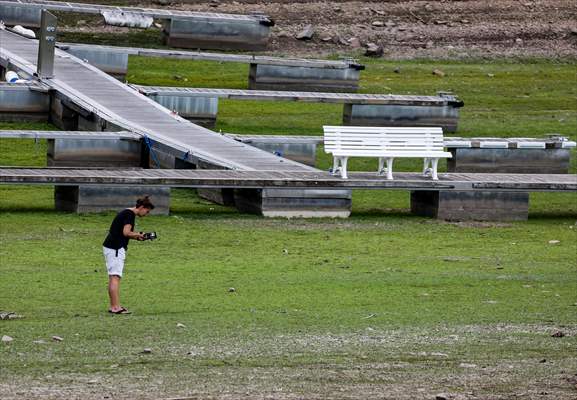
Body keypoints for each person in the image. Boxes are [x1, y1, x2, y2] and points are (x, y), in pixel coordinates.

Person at [102, 196, 155, 314]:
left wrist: (137, 236)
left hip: (110, 246)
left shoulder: (126, 212)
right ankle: (116, 307)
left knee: (113, 277)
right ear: (141, 207)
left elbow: (124, 233)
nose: (147, 214)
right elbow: (126, 233)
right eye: (147, 211)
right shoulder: (130, 215)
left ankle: (114, 306)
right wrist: (138, 235)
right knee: (115, 277)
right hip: (115, 248)